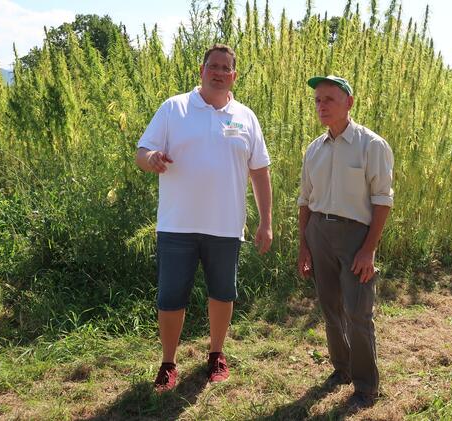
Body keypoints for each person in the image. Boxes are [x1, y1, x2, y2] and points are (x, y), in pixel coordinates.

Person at [135, 44, 272, 393]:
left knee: (223, 293)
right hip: (177, 224)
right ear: (202, 70)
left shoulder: (246, 117)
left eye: (226, 68)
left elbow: (259, 172)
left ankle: (216, 354)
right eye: (214, 66)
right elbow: (142, 152)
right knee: (170, 297)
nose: (219, 72)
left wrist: (265, 221)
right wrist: (151, 158)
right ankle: (168, 362)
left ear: (234, 76)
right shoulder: (174, 108)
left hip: (225, 225)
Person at [297, 75, 394, 409]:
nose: (322, 106)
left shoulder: (372, 145)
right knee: (330, 308)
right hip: (319, 233)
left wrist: (368, 249)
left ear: (349, 103)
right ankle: (342, 369)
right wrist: (304, 246)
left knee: (357, 312)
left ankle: (366, 386)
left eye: (330, 99)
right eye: (318, 100)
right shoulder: (314, 149)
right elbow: (305, 201)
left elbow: (382, 201)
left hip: (356, 236)